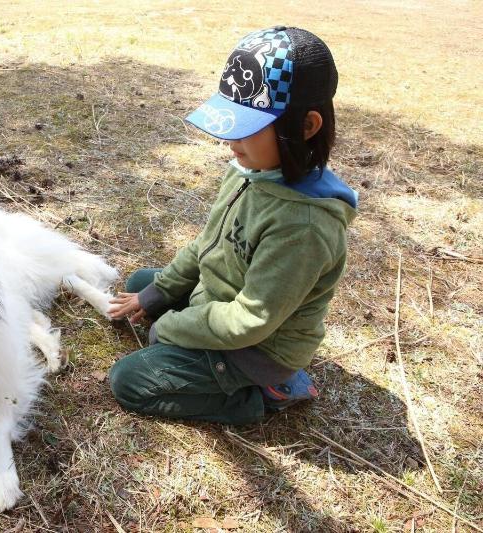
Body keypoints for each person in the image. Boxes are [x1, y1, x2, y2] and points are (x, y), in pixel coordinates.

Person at [107, 26, 358, 425]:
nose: (231, 141)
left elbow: (248, 321)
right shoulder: (250, 170)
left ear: (306, 127)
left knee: (130, 381)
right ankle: (184, 321)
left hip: (259, 348)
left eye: (247, 127)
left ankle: (261, 396)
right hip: (222, 297)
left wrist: (171, 326)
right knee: (143, 284)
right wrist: (160, 295)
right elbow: (206, 245)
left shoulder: (305, 226)